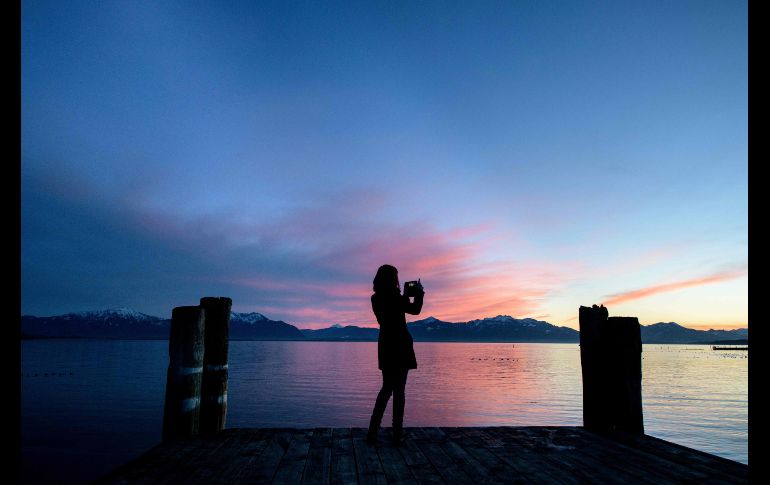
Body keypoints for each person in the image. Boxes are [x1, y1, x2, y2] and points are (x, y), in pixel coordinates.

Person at [366, 264, 425, 446]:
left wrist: (404, 297)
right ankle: (397, 434)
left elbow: (389, 315)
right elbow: (415, 310)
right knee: (399, 391)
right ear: (393, 279)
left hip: (386, 345)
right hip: (400, 344)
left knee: (386, 389)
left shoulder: (375, 299)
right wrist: (420, 293)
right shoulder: (396, 298)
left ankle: (372, 432)